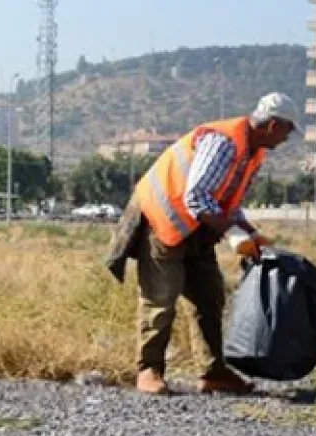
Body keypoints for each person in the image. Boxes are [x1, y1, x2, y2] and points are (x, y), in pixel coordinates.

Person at [107, 93, 300, 396]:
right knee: (161, 300)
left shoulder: (251, 153)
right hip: (164, 222)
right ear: (272, 125)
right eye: (288, 130)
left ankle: (213, 372)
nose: (288, 138)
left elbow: (228, 201)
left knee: (209, 297)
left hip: (196, 229)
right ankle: (149, 370)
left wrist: (249, 230)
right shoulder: (223, 143)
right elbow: (196, 197)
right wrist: (235, 234)